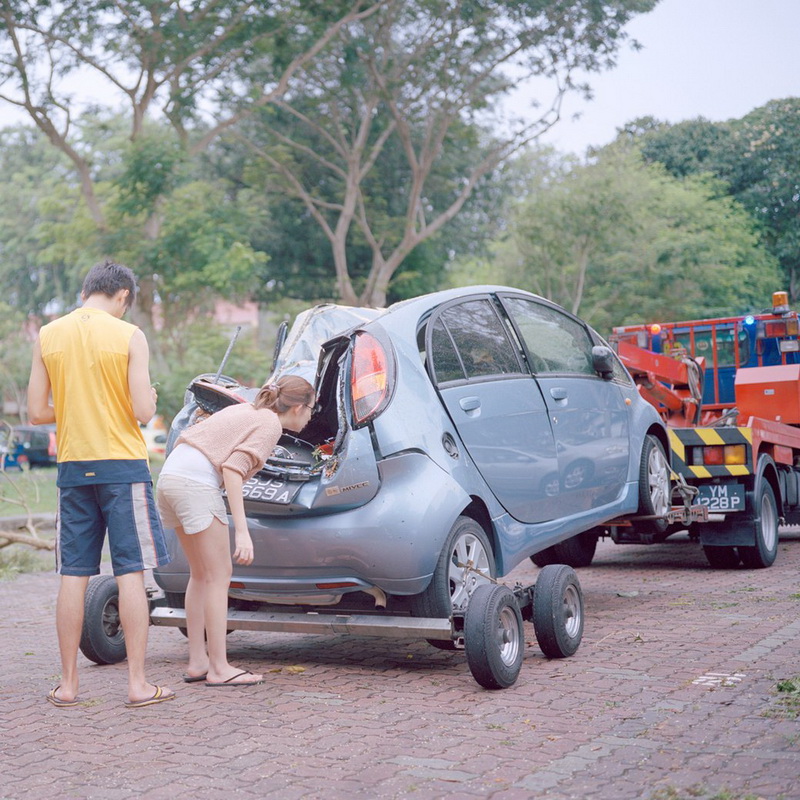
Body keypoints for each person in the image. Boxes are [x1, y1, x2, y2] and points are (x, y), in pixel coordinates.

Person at [28, 259, 174, 709]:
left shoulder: (49, 335)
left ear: (86, 290)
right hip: (122, 466)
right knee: (131, 572)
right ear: (123, 295)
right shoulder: (128, 335)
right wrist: (146, 398)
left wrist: (73, 406)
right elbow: (143, 413)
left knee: (74, 574)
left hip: (74, 467)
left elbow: (37, 413)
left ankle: (69, 685)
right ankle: (137, 685)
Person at [156, 375, 315, 687]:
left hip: (169, 479)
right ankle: (219, 668)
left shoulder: (243, 410)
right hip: (195, 484)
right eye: (311, 408)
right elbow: (232, 469)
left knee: (201, 575)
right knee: (219, 575)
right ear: (297, 407)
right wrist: (242, 531)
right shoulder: (269, 423)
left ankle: (198, 662)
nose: (311, 415)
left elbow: (189, 439)